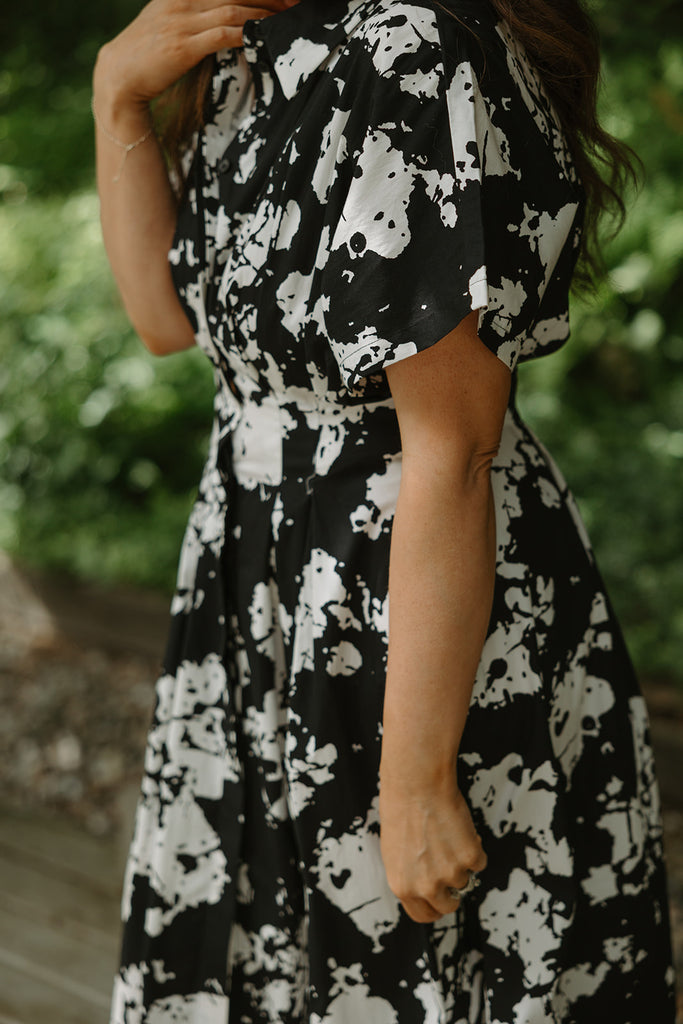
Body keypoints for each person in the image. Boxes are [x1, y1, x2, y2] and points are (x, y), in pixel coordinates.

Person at [93, 0, 676, 1020]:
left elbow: (450, 446)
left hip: (400, 604)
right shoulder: (241, 44)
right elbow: (161, 320)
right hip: (259, 579)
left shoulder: (410, 51)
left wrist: (415, 785)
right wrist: (116, 92)